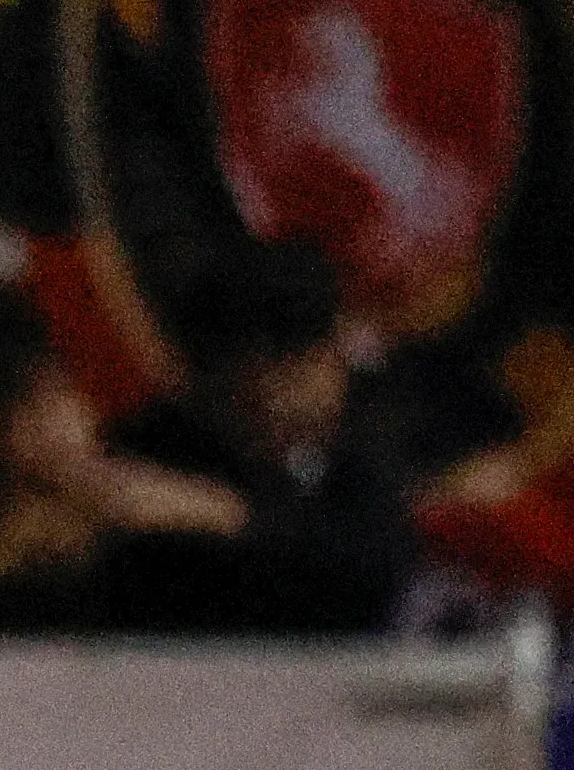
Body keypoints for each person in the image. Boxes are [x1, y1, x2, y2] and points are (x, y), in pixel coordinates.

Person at [74, 234, 416, 639]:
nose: (330, 378)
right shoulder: (148, 450)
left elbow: (369, 576)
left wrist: (234, 519)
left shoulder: (352, 450)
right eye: (303, 363)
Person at [0, 300, 251, 635]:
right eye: (29, 406)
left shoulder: (119, 490)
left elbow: (230, 516)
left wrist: (93, 481)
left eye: (62, 395)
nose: (58, 420)